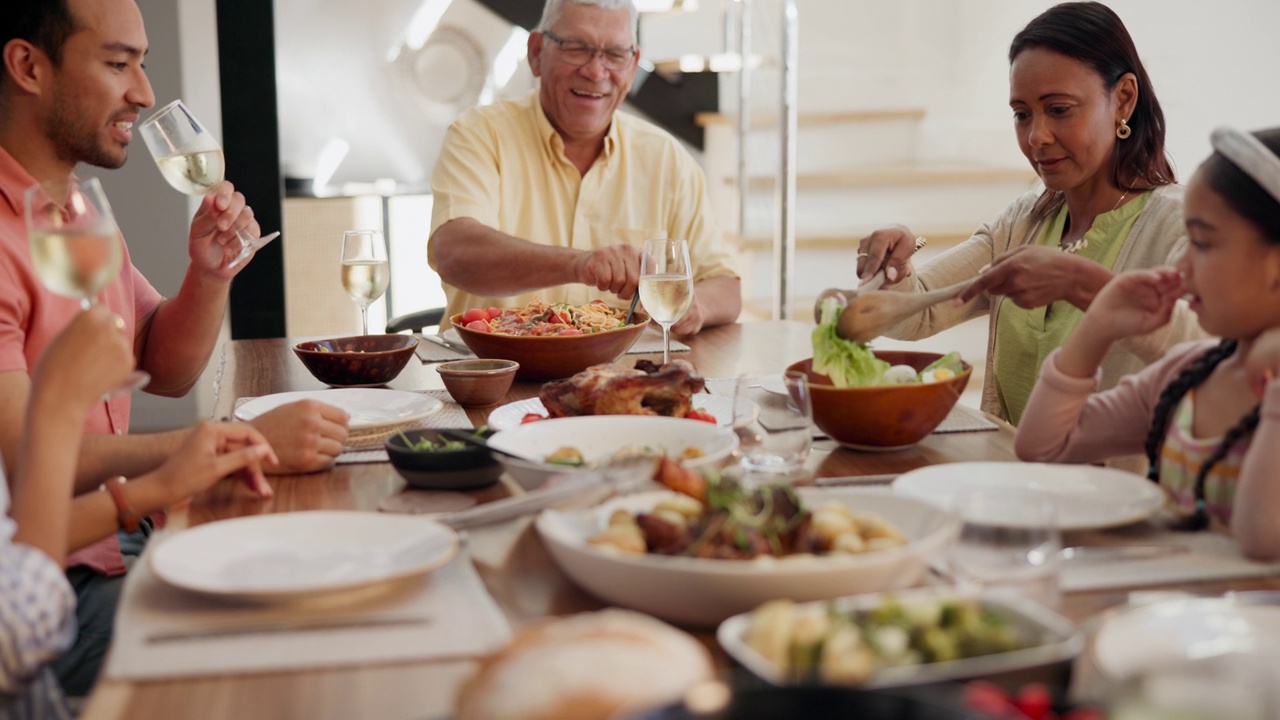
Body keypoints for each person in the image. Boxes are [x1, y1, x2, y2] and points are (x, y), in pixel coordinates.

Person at [0, 0, 350, 696]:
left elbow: (162, 366)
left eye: (144, 63)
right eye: (118, 63)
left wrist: (209, 273)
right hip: (54, 582)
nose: (145, 93)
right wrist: (230, 438)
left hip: (119, 541)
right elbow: (30, 461)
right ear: (28, 66)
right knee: (292, 645)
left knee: (319, 570)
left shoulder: (74, 207)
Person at [855, 1, 1203, 425]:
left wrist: (1084, 284)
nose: (1037, 136)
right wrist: (898, 266)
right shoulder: (1024, 220)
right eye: (1022, 114)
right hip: (1015, 482)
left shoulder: (1181, 225)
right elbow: (921, 312)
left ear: (1124, 100)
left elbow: (1213, 351)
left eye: (1059, 110)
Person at [1016, 126, 1280, 560]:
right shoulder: (1189, 375)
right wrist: (1098, 324)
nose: (1179, 262)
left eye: (1202, 242)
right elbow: (1044, 447)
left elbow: (1264, 539)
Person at [2, 307, 276, 718]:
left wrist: (160, 487)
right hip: (72, 597)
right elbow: (22, 629)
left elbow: (12, 541)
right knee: (246, 632)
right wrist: (58, 409)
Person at [428, 0, 740, 335]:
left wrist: (697, 307)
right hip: (496, 378)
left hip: (621, 379)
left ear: (633, 66)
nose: (595, 71)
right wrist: (579, 264)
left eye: (615, 54)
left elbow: (726, 287)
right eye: (576, 48)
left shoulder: (667, 159)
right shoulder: (478, 135)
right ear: (536, 53)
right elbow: (454, 252)